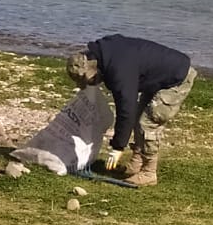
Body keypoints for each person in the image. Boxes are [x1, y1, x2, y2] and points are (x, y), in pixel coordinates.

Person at [66, 36, 197, 187]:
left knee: (147, 123)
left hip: (177, 78)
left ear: (92, 67)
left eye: (90, 80)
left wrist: (117, 147)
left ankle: (149, 172)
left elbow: (125, 109)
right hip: (156, 76)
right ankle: (137, 162)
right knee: (137, 118)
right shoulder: (105, 53)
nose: (93, 83)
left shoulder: (118, 70)